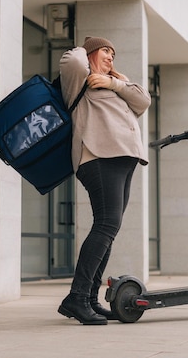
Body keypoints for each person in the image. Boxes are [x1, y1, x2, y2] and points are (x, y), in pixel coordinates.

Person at [57, 36, 151, 325]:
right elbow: (71, 60)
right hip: (98, 158)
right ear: (90, 54)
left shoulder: (113, 84)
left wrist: (113, 83)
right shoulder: (80, 80)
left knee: (110, 228)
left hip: (123, 160)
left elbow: (143, 100)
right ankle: (76, 297)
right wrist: (86, 49)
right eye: (105, 52)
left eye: (114, 53)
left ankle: (88, 299)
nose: (111, 58)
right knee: (106, 225)